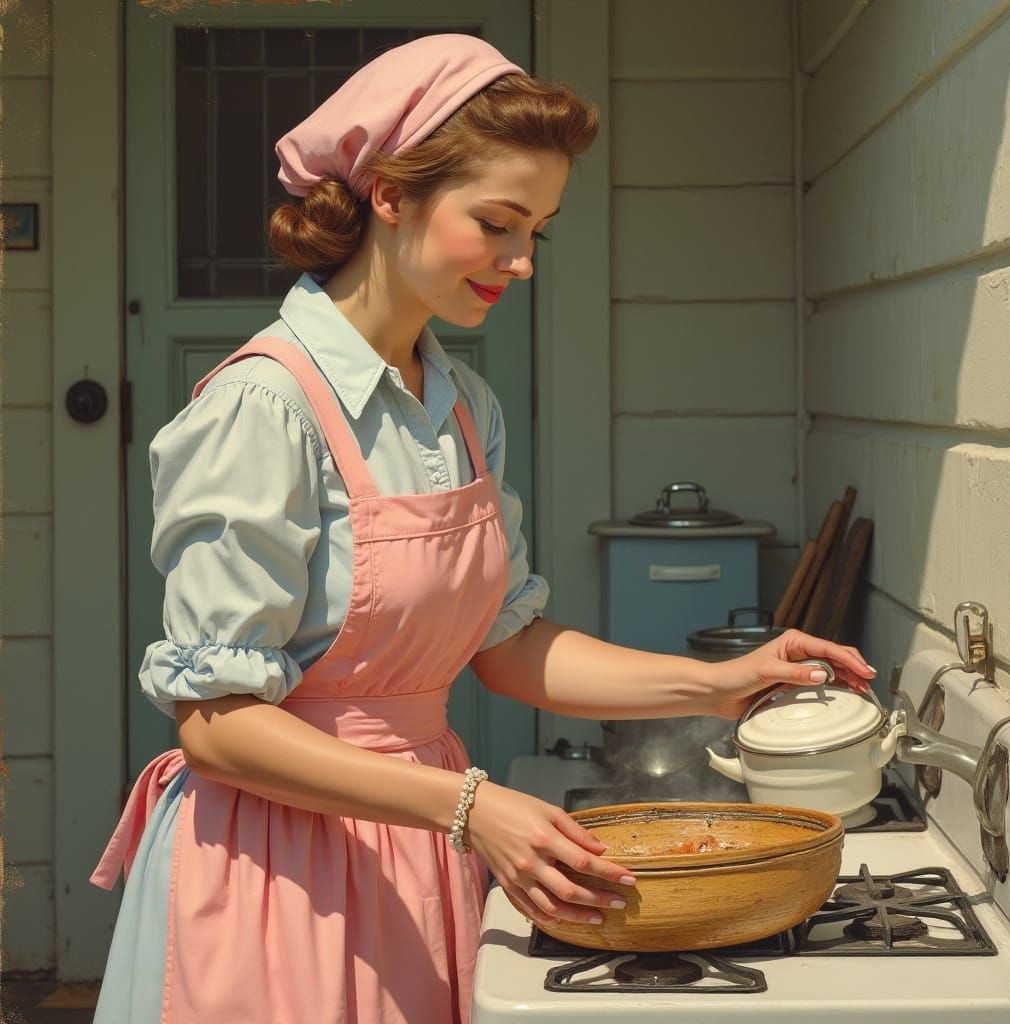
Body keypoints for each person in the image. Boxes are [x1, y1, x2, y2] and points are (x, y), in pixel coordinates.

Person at [89, 33, 876, 1024]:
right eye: (497, 223)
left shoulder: (462, 408)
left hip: (417, 852)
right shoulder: (264, 407)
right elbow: (216, 729)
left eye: (537, 232)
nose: (521, 262)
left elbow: (504, 646)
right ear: (388, 195)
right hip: (275, 874)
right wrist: (468, 806)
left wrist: (721, 684)